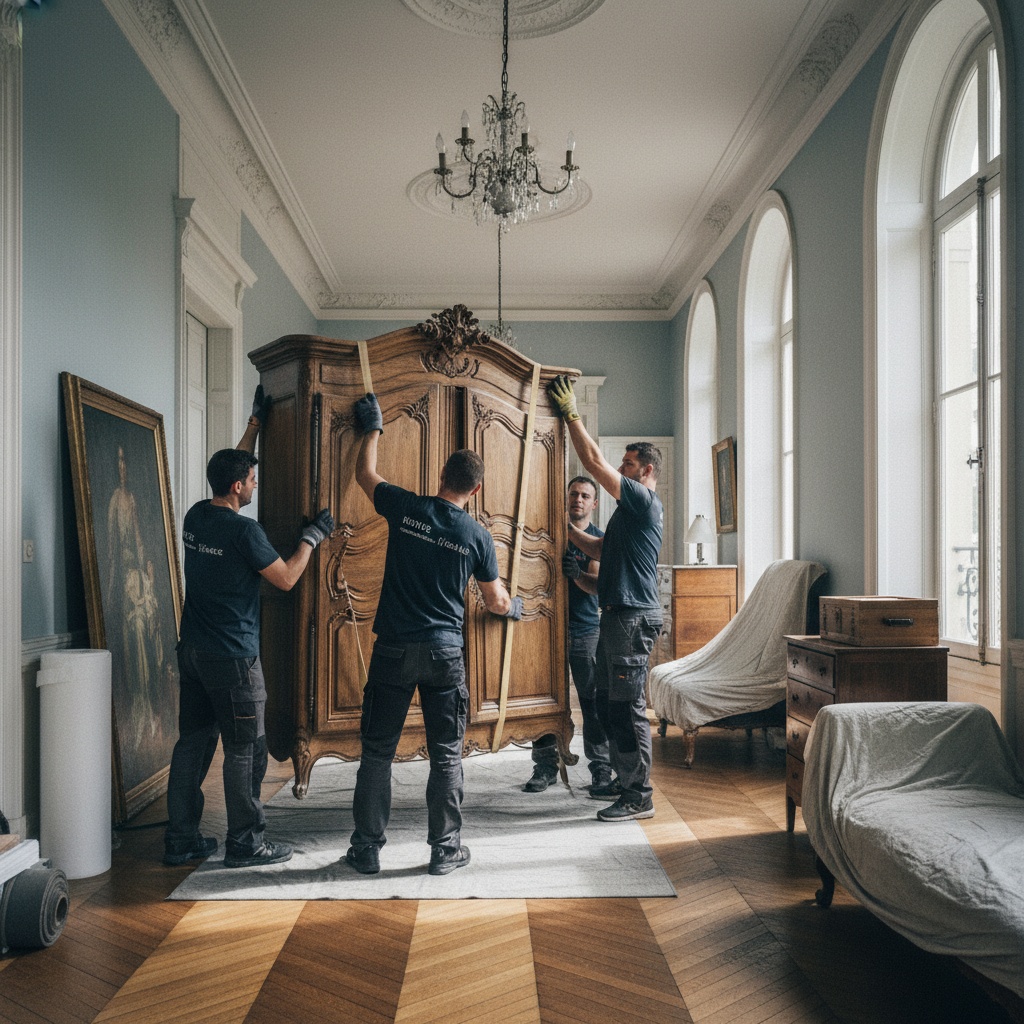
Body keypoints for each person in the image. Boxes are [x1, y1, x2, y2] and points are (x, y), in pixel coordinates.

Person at [345, 392, 521, 876]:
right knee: (446, 754)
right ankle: (444, 851)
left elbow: (365, 475)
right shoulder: (477, 536)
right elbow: (496, 602)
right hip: (444, 652)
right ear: (477, 491)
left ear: (441, 477)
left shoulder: (406, 507)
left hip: (395, 649)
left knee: (378, 751)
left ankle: (366, 850)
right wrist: (515, 607)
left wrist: (374, 427)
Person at [163, 386, 335, 868]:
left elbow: (234, 466)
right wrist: (312, 537)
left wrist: (255, 425)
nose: (256, 484)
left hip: (193, 651)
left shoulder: (196, 516)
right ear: (238, 486)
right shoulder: (244, 531)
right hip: (234, 659)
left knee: (193, 744)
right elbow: (284, 579)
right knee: (245, 749)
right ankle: (245, 842)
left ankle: (180, 839)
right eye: (252, 479)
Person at [547, 375, 664, 822]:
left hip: (632, 618)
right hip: (616, 616)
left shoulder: (642, 501)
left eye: (629, 464)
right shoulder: (626, 519)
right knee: (607, 702)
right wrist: (562, 531)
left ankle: (639, 795)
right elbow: (598, 551)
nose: (622, 467)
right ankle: (621, 778)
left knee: (627, 707)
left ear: (646, 471)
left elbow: (593, 462)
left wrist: (570, 413)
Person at [522, 475, 614, 795]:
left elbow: (598, 586)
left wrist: (576, 576)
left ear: (594, 503)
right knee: (543, 702)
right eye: (573, 494)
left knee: (591, 701)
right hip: (544, 628)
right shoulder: (547, 534)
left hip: (585, 629)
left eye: (585, 496)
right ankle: (546, 765)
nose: (578, 499)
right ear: (566, 498)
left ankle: (601, 769)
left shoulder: (598, 539)